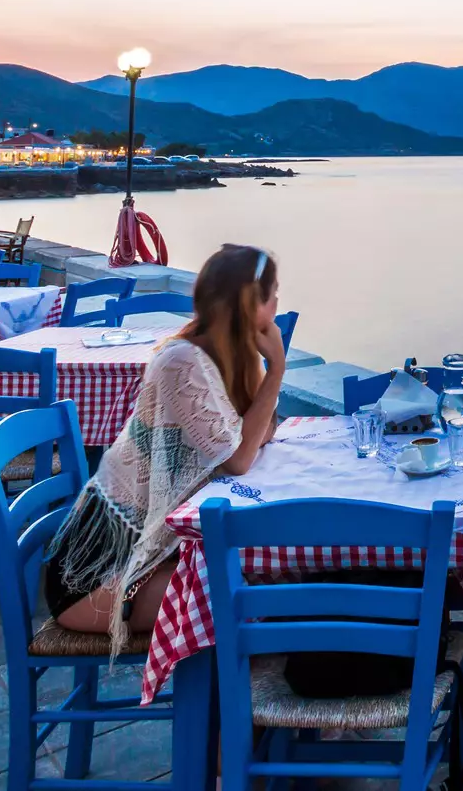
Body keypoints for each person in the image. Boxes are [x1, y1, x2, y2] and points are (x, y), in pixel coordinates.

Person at [44, 243, 285, 637]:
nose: (277, 305)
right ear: (248, 305)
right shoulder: (183, 362)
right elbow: (240, 459)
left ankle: (233, 695)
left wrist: (260, 374)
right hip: (100, 575)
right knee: (248, 601)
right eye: (272, 297)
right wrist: (276, 370)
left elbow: (261, 433)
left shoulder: (225, 360)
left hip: (153, 554)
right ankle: (224, 698)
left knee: (269, 583)